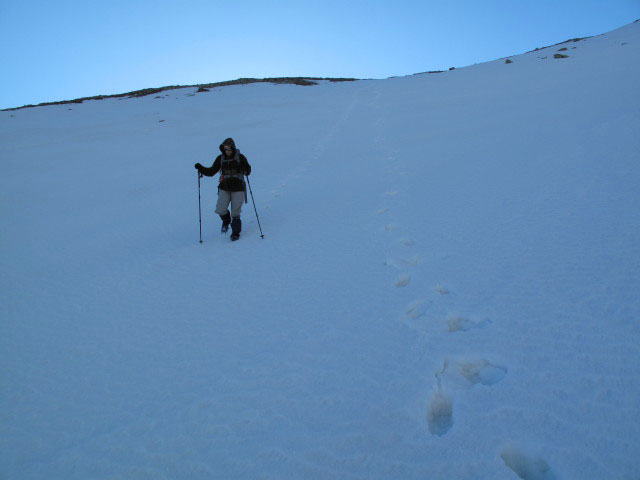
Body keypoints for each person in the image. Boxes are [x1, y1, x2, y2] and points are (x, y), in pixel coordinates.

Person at [195, 138, 252, 241]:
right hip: (224, 187)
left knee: (236, 212)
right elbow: (211, 171)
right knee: (220, 209)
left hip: (238, 187)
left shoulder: (240, 157)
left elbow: (248, 170)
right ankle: (226, 221)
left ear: (233, 148)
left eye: (229, 149)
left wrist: (245, 169)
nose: (227, 151)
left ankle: (235, 233)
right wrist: (201, 168)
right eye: (225, 149)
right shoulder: (220, 158)